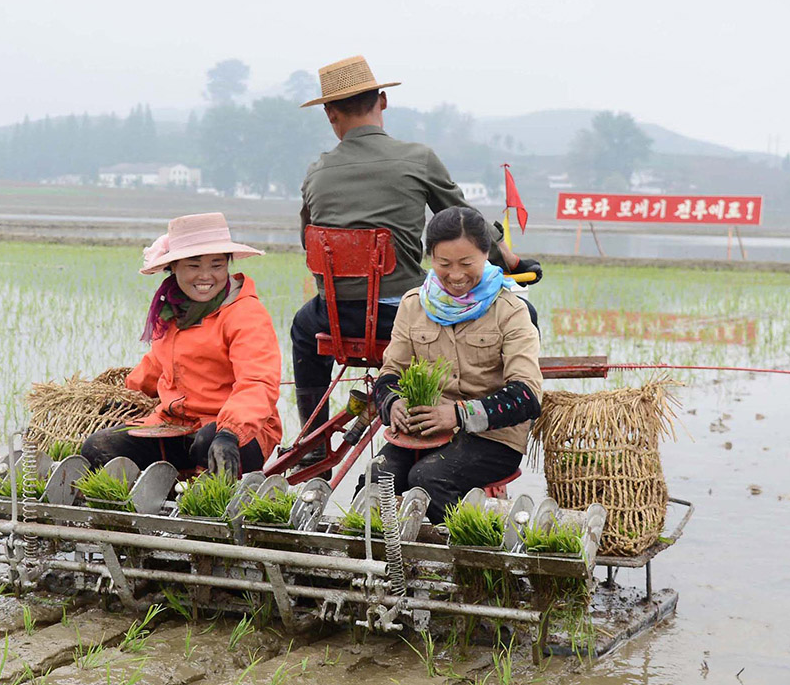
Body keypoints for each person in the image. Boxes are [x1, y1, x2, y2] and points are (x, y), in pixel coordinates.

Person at [291, 55, 541, 469]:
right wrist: (511, 260)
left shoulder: (317, 170)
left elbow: (308, 240)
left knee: (302, 326)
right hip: (402, 318)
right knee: (522, 312)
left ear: (329, 114)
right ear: (383, 101)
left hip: (334, 320)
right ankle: (501, 420)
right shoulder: (417, 158)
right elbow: (465, 222)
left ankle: (312, 439)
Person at [368, 205, 542, 523]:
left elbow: (527, 396)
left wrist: (458, 414)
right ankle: (381, 564)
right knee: (375, 480)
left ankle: (466, 558)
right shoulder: (413, 306)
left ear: (486, 255)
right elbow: (389, 375)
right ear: (430, 258)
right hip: (423, 430)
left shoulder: (511, 310)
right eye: (444, 264)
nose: (456, 275)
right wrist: (393, 405)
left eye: (467, 263)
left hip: (492, 438)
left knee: (428, 479)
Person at [81, 212, 283, 477]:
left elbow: (257, 383)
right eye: (193, 265)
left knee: (208, 444)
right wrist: (121, 399)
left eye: (217, 265)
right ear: (173, 267)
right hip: (175, 424)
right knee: (98, 446)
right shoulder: (172, 312)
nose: (206, 276)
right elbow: (156, 366)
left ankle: (201, 498)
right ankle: (152, 497)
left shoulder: (245, 314)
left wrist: (231, 432)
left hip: (238, 432)